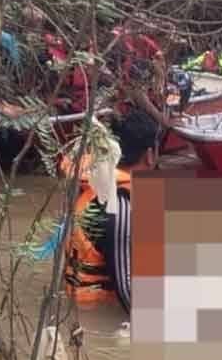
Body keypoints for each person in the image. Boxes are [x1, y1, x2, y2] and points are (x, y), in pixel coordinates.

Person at [64, 109, 160, 312]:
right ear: (150, 155)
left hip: (78, 302)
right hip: (99, 309)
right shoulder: (118, 206)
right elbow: (128, 293)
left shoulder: (96, 185)